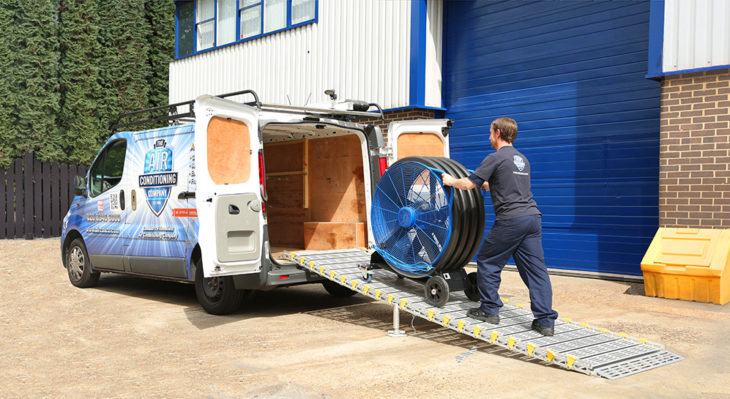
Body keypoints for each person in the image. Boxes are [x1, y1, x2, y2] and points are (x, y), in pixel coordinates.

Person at [441, 117, 558, 336]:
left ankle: (489, 310)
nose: (488, 136)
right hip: (532, 218)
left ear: (498, 133)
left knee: (488, 260)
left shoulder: (495, 157)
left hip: (511, 220)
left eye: (490, 132)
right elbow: (510, 185)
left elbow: (467, 184)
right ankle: (545, 321)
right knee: (536, 271)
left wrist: (449, 181)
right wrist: (489, 184)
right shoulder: (521, 159)